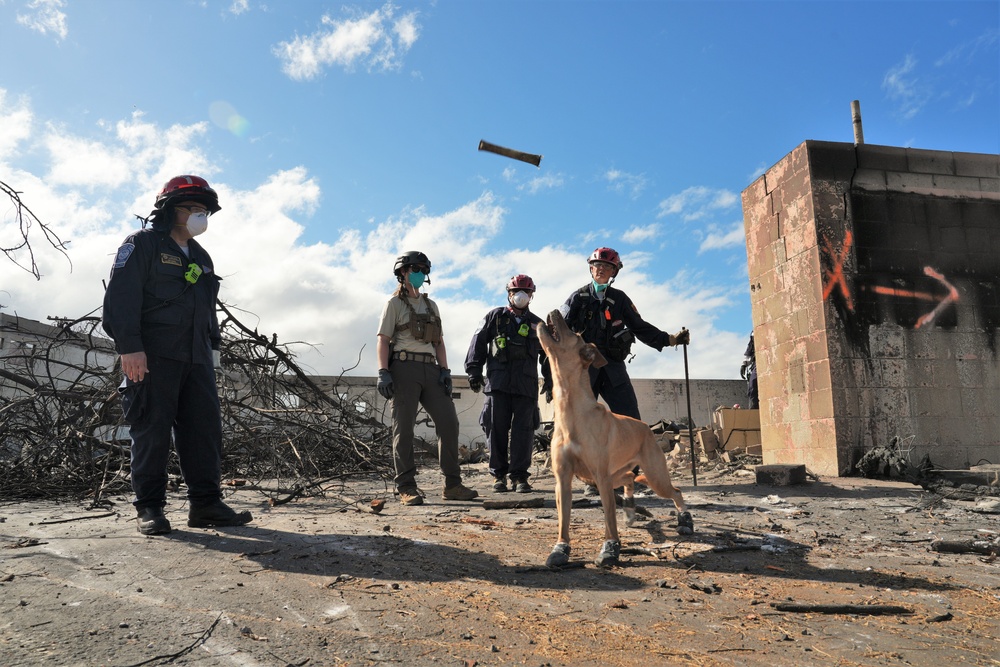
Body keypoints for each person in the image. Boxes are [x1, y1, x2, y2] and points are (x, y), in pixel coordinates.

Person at [102, 175, 252, 535]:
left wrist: (213, 354)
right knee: (151, 429)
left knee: (203, 431)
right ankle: (149, 508)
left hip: (197, 358)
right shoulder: (143, 245)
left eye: (205, 211)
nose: (201, 216)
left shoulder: (201, 257)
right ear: (171, 210)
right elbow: (121, 299)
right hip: (152, 355)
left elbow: (207, 311)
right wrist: (130, 347)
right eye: (194, 209)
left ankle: (206, 504)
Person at [560, 247, 689, 496]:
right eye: (597, 265)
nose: (601, 269)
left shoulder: (620, 299)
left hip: (613, 368)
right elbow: (560, 331)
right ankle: (591, 480)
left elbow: (639, 327)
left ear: (614, 272)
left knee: (630, 419)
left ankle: (630, 477)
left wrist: (670, 339)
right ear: (590, 268)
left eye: (607, 267)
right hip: (585, 370)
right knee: (583, 423)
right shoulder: (577, 298)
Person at [376, 251, 479, 506]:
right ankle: (406, 487)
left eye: (423, 269)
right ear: (403, 272)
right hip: (403, 368)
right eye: (415, 269)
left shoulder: (432, 306)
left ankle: (453, 484)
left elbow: (439, 342)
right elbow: (383, 340)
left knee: (449, 423)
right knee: (404, 429)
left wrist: (445, 371)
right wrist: (383, 372)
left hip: (431, 369)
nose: (420, 273)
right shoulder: (394, 304)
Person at [465, 274, 552, 494]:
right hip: (498, 385)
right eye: (516, 291)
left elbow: (549, 355)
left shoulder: (537, 324)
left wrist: (551, 381)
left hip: (526, 387)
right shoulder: (494, 317)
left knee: (524, 433)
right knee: (496, 430)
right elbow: (478, 342)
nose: (520, 296)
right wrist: (474, 371)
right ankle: (499, 477)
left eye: (526, 292)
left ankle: (520, 477)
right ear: (509, 294)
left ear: (531, 296)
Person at [740, 331, 759, 409]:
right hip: (757, 365)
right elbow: (750, 350)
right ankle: (754, 410)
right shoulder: (754, 334)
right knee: (752, 386)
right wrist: (744, 365)